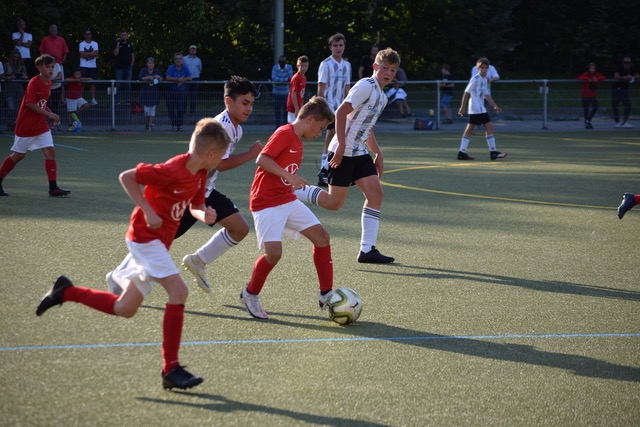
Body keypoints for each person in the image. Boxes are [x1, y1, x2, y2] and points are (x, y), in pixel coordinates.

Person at [35, 118, 231, 390]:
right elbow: (127, 177)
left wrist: (204, 214)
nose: (221, 160)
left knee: (125, 308)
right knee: (179, 291)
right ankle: (171, 368)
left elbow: (195, 206)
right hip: (144, 238)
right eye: (221, 155)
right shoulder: (171, 170)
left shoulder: (199, 174)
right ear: (210, 153)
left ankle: (66, 292)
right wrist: (148, 210)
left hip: (159, 244)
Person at [294, 48, 401, 264]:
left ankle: (367, 250)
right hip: (342, 152)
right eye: (385, 68)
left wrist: (378, 153)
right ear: (375, 67)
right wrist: (341, 145)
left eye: (392, 70)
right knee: (334, 203)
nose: (388, 73)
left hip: (359, 153)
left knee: (376, 194)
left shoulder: (382, 97)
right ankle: (291, 191)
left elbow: (367, 128)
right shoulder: (365, 86)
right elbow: (341, 112)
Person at [239, 96, 335, 319]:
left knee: (322, 238)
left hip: (286, 199)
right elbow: (262, 159)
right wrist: (289, 177)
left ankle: (326, 294)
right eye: (321, 127)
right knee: (274, 254)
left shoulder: (298, 141)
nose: (320, 133)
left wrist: (291, 182)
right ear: (310, 120)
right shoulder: (285, 132)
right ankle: (250, 294)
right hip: (266, 202)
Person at [177, 76, 263, 292]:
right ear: (228, 101)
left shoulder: (236, 129)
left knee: (239, 228)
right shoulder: (222, 126)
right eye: (244, 103)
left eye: (251, 104)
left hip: (205, 191)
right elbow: (221, 164)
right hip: (189, 192)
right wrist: (251, 154)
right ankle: (122, 275)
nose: (249, 108)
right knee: (159, 240)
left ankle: (198, 261)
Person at [0, 54, 70, 197]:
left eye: (52, 67)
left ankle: (53, 188)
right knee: (19, 155)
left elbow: (41, 104)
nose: (51, 69)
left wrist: (51, 113)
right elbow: (30, 104)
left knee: (50, 151)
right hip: (26, 125)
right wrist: (50, 115)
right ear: (39, 67)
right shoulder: (34, 82)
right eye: (47, 66)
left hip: (41, 125)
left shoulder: (49, 83)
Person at [317, 33, 351, 187]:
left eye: (340, 45)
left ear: (344, 47)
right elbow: (321, 88)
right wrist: (321, 106)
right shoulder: (326, 64)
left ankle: (329, 168)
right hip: (330, 106)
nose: (338, 48)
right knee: (333, 134)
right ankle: (325, 169)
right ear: (330, 47)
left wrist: (350, 106)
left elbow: (347, 88)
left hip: (341, 107)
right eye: (335, 45)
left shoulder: (346, 65)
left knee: (338, 136)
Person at [456, 58, 507, 161]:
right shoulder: (475, 78)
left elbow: (486, 95)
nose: (484, 70)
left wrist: (495, 106)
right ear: (478, 68)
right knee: (489, 126)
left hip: (480, 107)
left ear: (488, 69)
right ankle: (493, 152)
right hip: (476, 108)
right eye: (482, 68)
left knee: (470, 129)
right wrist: (462, 107)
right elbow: (466, 92)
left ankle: (462, 152)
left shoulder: (484, 80)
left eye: (485, 68)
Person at [39, 24, 70, 102]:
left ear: (57, 31)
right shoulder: (45, 39)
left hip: (58, 63)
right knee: (46, 79)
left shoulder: (61, 40)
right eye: (52, 30)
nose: (54, 31)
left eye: (55, 30)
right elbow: (41, 51)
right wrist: (43, 62)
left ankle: (62, 99)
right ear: (49, 31)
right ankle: (45, 97)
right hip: (47, 64)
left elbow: (65, 51)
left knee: (61, 81)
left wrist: (62, 61)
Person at [3, 48, 29, 131]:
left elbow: (25, 76)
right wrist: (8, 78)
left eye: (17, 57)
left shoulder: (21, 66)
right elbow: (2, 76)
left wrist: (24, 77)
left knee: (19, 109)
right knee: (11, 108)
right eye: (14, 57)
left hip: (19, 89)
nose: (16, 58)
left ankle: (17, 125)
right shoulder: (7, 65)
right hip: (9, 90)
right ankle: (10, 124)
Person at [165, 52, 192, 131]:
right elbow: (168, 77)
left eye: (180, 59)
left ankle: (180, 125)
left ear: (182, 60)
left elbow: (190, 77)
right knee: (171, 108)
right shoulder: (171, 68)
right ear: (174, 60)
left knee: (180, 108)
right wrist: (178, 80)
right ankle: (174, 124)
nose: (178, 60)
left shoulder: (185, 68)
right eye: (176, 59)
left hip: (181, 91)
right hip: (171, 90)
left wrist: (183, 80)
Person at [576, 63, 606, 129]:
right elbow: (579, 78)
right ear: (588, 69)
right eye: (591, 68)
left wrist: (597, 79)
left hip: (592, 95)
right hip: (585, 94)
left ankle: (588, 121)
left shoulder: (596, 74)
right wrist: (587, 79)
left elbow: (603, 77)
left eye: (593, 68)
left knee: (595, 107)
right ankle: (587, 122)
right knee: (586, 109)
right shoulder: (586, 74)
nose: (592, 70)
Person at [612, 56, 639, 128]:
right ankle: (617, 122)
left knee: (628, 105)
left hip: (625, 89)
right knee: (615, 105)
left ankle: (625, 122)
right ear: (623, 62)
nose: (627, 64)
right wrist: (624, 77)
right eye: (625, 62)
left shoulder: (631, 68)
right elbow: (616, 76)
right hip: (617, 89)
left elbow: (637, 75)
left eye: (628, 62)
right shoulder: (619, 68)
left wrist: (632, 77)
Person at [138, 57, 163, 131]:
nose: (151, 64)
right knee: (146, 110)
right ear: (147, 64)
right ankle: (147, 122)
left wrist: (158, 78)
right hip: (145, 92)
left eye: (152, 63)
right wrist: (148, 78)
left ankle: (150, 125)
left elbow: (160, 80)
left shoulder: (156, 71)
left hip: (154, 93)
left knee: (152, 109)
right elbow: (140, 78)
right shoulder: (143, 70)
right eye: (149, 63)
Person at [271, 55, 293, 128]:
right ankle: (277, 126)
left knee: (286, 111)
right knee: (277, 111)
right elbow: (274, 78)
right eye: (281, 61)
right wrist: (285, 80)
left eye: (283, 61)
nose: (282, 62)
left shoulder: (289, 67)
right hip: (276, 93)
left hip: (286, 94)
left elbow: (290, 78)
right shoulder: (275, 68)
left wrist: (280, 81)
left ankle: (285, 126)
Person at [113, 30, 135, 105]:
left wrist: (131, 64)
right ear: (120, 36)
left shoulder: (129, 44)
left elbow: (132, 55)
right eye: (122, 35)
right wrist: (118, 43)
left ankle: (127, 100)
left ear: (127, 36)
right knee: (118, 84)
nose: (123, 36)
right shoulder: (117, 44)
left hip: (128, 68)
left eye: (125, 35)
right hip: (119, 68)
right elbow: (115, 54)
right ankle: (117, 101)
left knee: (128, 84)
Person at [79, 28, 99, 105]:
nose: (88, 35)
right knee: (82, 82)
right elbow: (82, 55)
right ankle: (81, 99)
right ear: (84, 35)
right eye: (86, 34)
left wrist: (86, 54)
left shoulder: (95, 44)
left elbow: (96, 54)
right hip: (83, 65)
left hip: (92, 66)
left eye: (89, 34)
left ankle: (93, 99)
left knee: (92, 82)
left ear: (91, 35)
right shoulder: (81, 44)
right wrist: (91, 54)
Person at [286, 55, 309, 123]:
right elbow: (293, 94)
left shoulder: (304, 78)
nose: (304, 68)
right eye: (302, 65)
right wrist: (296, 108)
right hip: (293, 107)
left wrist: (301, 107)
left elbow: (301, 95)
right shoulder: (296, 77)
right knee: (293, 125)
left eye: (306, 66)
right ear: (297, 66)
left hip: (298, 107)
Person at [183, 45, 202, 115]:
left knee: (194, 96)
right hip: (186, 79)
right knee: (185, 96)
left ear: (196, 51)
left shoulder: (198, 60)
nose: (193, 50)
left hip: (195, 79)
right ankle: (183, 112)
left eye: (194, 49)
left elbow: (200, 69)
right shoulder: (184, 59)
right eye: (192, 49)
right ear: (189, 50)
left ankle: (192, 113)